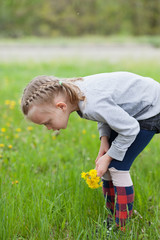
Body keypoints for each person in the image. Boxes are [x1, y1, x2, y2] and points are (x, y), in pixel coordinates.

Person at [21, 72, 160, 231]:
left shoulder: (91, 103)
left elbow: (130, 129)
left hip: (151, 109)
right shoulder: (77, 93)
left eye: (47, 122)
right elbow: (107, 115)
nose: (49, 128)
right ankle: (111, 218)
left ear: (61, 106)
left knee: (118, 166)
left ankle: (121, 227)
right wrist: (105, 139)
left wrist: (109, 157)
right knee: (109, 166)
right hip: (133, 112)